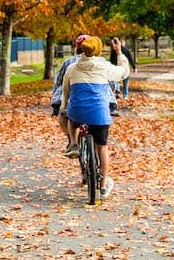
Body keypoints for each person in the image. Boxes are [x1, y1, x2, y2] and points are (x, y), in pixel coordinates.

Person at [61, 35, 130, 198]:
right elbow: (124, 72)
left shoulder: (72, 68)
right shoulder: (104, 67)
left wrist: (64, 107)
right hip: (99, 114)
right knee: (102, 147)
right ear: (99, 50)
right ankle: (104, 184)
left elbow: (66, 91)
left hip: (78, 112)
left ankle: (73, 144)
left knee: (72, 119)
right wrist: (119, 52)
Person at [50, 34, 89, 155]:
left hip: (73, 97)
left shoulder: (69, 62)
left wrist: (54, 96)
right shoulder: (101, 62)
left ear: (76, 47)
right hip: (95, 98)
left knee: (63, 114)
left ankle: (71, 140)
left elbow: (59, 81)